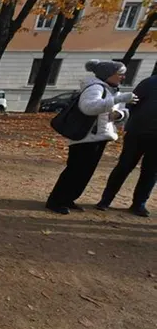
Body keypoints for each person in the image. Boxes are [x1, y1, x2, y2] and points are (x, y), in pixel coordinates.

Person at [46, 60, 138, 215]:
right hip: (85, 137)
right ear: (108, 74)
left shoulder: (112, 89)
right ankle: (56, 201)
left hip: (99, 136)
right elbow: (88, 108)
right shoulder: (95, 87)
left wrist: (119, 114)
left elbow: (119, 111)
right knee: (75, 170)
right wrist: (118, 99)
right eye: (120, 74)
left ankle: (68, 198)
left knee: (85, 172)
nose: (123, 77)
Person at [96, 73, 157, 217]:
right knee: (124, 166)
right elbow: (131, 103)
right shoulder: (149, 83)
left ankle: (139, 204)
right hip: (138, 132)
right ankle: (106, 200)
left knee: (151, 172)